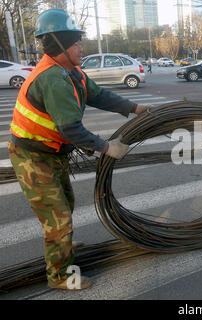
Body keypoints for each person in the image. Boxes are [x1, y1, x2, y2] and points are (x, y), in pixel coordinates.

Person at [8, 9, 152, 290]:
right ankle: (60, 276)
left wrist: (134, 108)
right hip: (33, 156)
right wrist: (107, 147)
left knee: (65, 205)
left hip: (52, 152)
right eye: (76, 43)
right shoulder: (53, 79)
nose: (81, 48)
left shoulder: (71, 72)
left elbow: (98, 95)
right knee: (57, 216)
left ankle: (63, 244)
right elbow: (71, 129)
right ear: (60, 44)